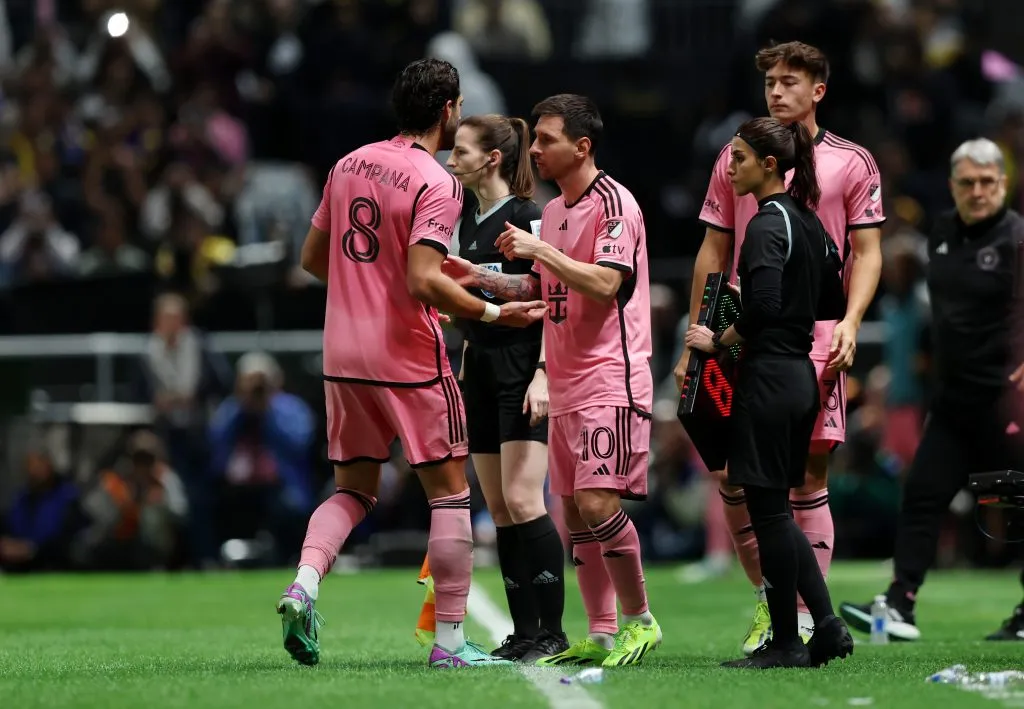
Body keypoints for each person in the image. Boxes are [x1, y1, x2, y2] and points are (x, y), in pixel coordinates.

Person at [276, 58, 547, 670]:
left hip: (342, 353)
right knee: (450, 494)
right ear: (448, 109)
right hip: (405, 353)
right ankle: (450, 644)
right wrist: (496, 314)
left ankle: (305, 585)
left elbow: (313, 259)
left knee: (353, 488)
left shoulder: (348, 163)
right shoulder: (436, 181)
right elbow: (425, 281)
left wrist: (373, 287)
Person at [673, 40, 885, 653]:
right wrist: (700, 339)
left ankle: (800, 618)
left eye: (790, 82)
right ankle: (781, 609)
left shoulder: (851, 162)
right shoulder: (738, 157)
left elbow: (865, 251)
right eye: (770, 81)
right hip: (745, 331)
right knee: (733, 477)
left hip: (808, 335)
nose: (776, 91)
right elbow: (712, 252)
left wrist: (851, 321)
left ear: (818, 90)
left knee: (804, 475)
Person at [444, 94, 661, 667]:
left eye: (546, 140)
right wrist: (478, 280)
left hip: (608, 371)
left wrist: (539, 248)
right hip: (564, 377)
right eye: (534, 138)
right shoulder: (560, 209)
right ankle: (603, 630)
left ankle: (641, 620)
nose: (534, 150)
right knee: (569, 510)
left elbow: (607, 283)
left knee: (593, 501)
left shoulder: (613, 204)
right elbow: (537, 291)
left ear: (581, 147)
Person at [685, 117, 854, 669]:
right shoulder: (808, 220)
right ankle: (824, 626)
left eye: (738, 157)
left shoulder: (763, 224)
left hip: (769, 377)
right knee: (778, 510)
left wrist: (718, 340)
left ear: (769, 165)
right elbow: (831, 295)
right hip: (800, 375)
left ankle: (787, 641)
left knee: (770, 514)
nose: (730, 167)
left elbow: (762, 305)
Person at [840, 138, 1024, 642]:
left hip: (1007, 401)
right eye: (968, 182)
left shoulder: (1017, 239)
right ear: (953, 186)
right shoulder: (942, 235)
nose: (978, 191)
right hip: (952, 400)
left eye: (988, 182)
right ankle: (900, 604)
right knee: (922, 494)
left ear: (1003, 185)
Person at [446, 113, 568, 662]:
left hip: (523, 367)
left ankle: (554, 630)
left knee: (524, 499)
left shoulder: (529, 217)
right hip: (482, 368)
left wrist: (544, 371)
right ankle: (522, 632)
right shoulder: (462, 220)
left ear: (492, 158)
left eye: (462, 153)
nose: (452, 161)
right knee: (498, 507)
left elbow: (548, 297)